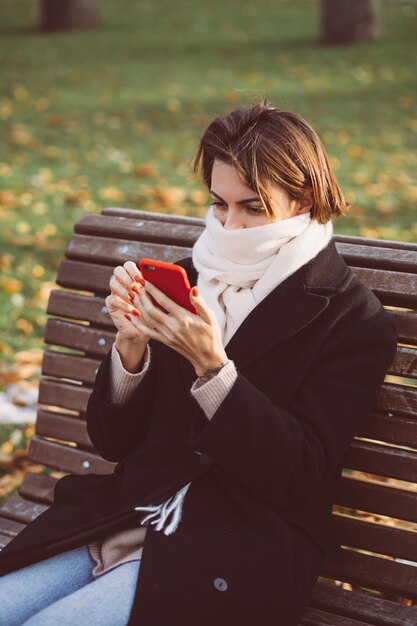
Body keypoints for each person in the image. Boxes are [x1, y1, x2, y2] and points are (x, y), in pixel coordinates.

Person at [0, 100, 397, 626]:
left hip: (243, 544)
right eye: (218, 204)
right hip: (126, 512)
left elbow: (302, 475)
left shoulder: (352, 320)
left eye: (253, 208)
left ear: (302, 199)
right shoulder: (187, 279)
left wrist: (213, 368)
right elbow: (114, 444)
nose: (230, 226)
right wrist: (131, 350)